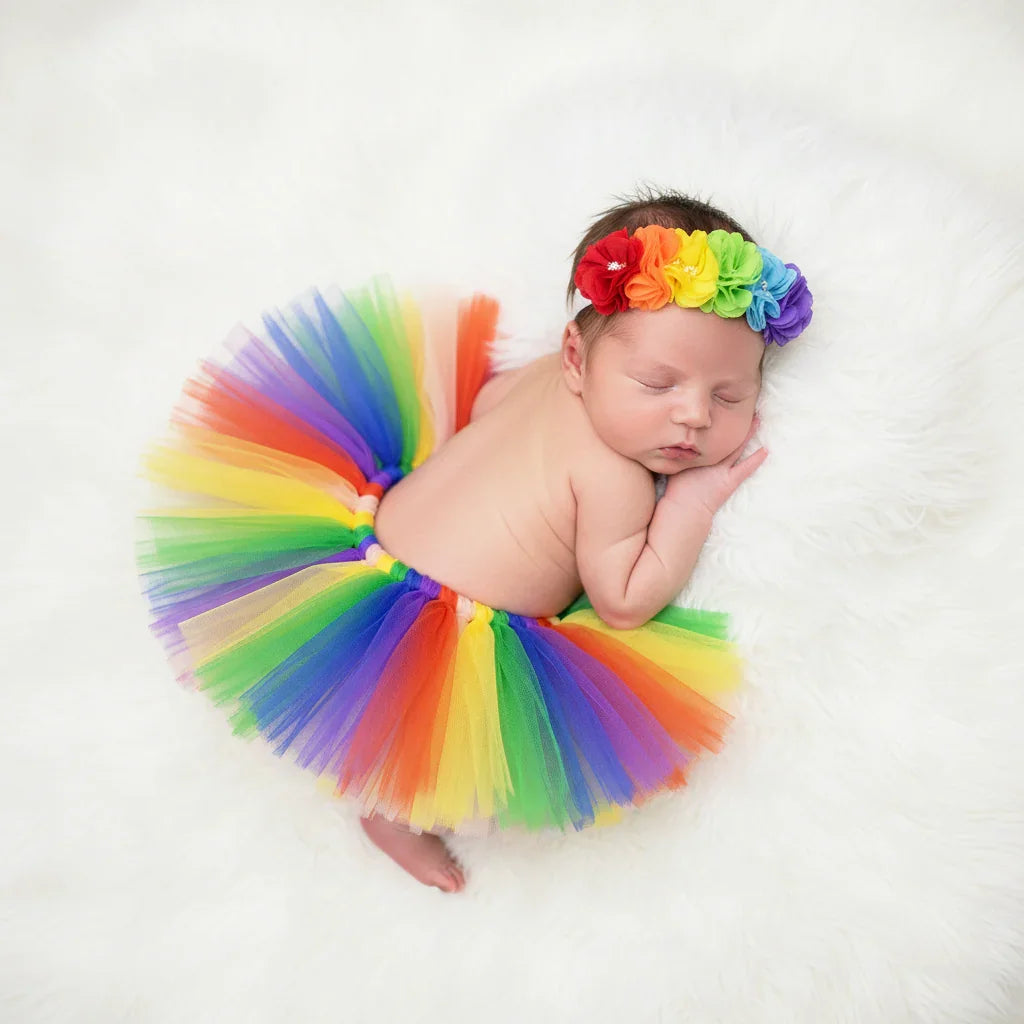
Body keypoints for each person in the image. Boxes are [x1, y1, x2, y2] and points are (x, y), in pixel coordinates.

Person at [136, 188, 813, 895]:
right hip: (446, 628)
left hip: (361, 551)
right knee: (429, 748)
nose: (693, 417)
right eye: (657, 384)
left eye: (729, 396)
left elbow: (485, 407)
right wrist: (693, 504)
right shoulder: (617, 478)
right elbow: (623, 599)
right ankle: (389, 813)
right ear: (577, 357)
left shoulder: (543, 378)